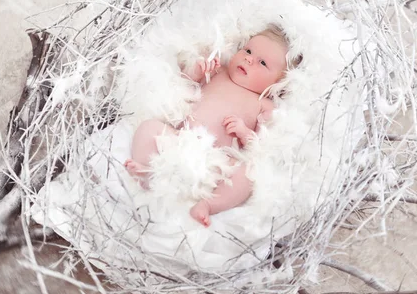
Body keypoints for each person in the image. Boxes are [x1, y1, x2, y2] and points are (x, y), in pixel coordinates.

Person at [124, 25, 295, 227]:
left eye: (262, 62)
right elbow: (183, 87)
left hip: (219, 163)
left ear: (278, 83)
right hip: (180, 140)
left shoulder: (264, 104)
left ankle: (209, 204)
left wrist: (244, 132)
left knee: (248, 174)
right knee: (149, 127)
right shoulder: (219, 72)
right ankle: (147, 171)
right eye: (248, 51)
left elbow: (262, 146)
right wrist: (197, 72)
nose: (249, 59)